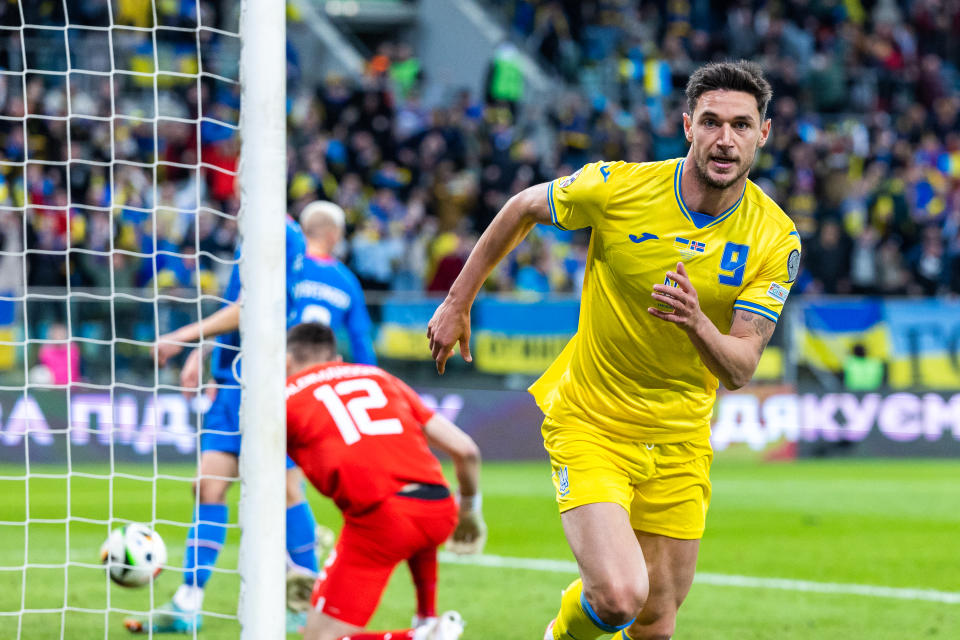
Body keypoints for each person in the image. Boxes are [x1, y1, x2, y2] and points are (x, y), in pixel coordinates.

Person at [427, 61, 801, 640]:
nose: (725, 139)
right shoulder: (620, 187)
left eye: (741, 125)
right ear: (687, 127)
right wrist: (457, 302)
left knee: (655, 620)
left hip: (680, 437)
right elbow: (525, 206)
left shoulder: (775, 237)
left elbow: (741, 368)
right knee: (620, 594)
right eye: (711, 122)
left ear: (763, 134)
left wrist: (699, 324)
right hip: (593, 421)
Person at [127, 217, 324, 634]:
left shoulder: (279, 232)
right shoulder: (251, 229)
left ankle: (307, 599)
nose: (235, 176)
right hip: (232, 381)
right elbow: (236, 308)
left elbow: (257, 308)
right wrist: (205, 350)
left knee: (286, 490)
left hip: (267, 381)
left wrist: (183, 335)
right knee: (208, 485)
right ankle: (187, 602)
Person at [284, 322, 485, 640]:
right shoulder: (378, 376)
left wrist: (286, 567)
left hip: (382, 519)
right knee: (418, 527)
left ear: (286, 362)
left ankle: (420, 636)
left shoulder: (284, 398)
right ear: (337, 361)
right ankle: (426, 620)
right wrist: (469, 511)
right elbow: (467, 451)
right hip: (439, 507)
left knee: (318, 638)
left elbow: (270, 491)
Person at [296, 201, 377, 365]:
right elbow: (360, 340)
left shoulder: (284, 267)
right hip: (320, 374)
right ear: (335, 234)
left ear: (302, 230)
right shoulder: (347, 280)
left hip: (277, 368)